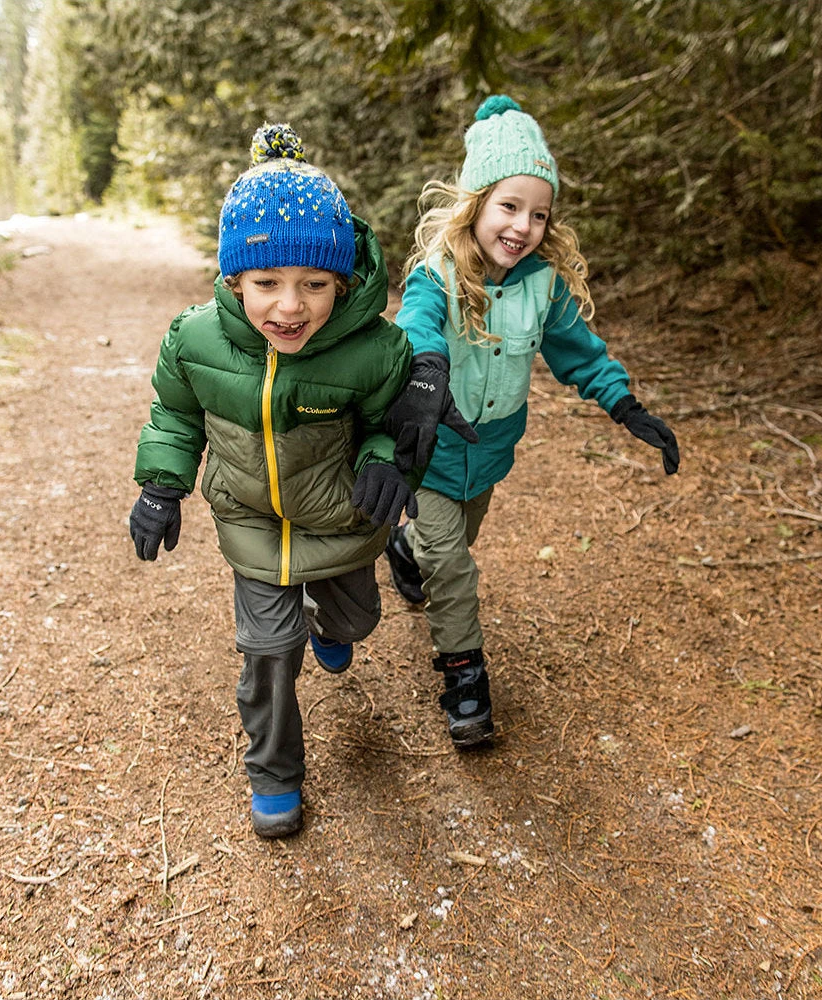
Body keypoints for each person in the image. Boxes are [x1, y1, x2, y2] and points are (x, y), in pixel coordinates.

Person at [129, 124, 417, 838]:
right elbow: (175, 414)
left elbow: (387, 421)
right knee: (267, 653)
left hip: (342, 519)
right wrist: (162, 486)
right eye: (266, 284)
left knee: (355, 623)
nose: (290, 307)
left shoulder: (374, 351)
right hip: (251, 521)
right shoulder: (195, 340)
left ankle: (331, 624)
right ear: (234, 280)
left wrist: (383, 459)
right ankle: (275, 774)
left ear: (341, 283)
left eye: (314, 285)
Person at [383, 95, 680, 748]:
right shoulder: (438, 275)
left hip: (489, 455)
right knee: (453, 570)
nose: (523, 226)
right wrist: (427, 372)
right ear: (476, 204)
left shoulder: (542, 286)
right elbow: (417, 325)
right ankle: (464, 677)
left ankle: (404, 548)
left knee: (454, 542)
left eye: (538, 214)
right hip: (432, 447)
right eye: (509, 206)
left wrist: (625, 405)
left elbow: (580, 353)